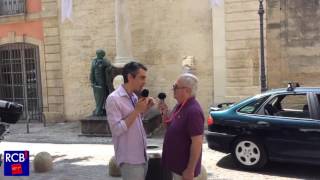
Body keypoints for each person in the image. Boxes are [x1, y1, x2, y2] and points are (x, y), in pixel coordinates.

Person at [106, 61, 154, 180]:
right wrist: (137, 111)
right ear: (130, 77)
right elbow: (116, 129)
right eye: (141, 78)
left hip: (141, 156)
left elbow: (134, 123)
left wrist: (143, 110)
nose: (144, 81)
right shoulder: (113, 99)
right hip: (129, 159)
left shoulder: (133, 96)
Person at [158, 73, 204, 180]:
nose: (172, 89)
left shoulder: (193, 111)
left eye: (175, 87)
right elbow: (168, 126)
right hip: (176, 168)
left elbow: (197, 143)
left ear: (186, 90)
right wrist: (164, 113)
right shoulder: (180, 105)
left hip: (184, 171)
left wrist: (190, 169)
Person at [90, 49, 112, 116]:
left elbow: (109, 68)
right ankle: (99, 110)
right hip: (97, 82)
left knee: (104, 96)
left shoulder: (105, 61)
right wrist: (92, 81)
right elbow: (92, 72)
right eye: (98, 54)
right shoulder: (94, 61)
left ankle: (101, 110)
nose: (99, 55)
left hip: (103, 82)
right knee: (98, 97)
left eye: (101, 54)